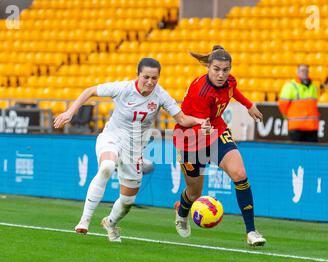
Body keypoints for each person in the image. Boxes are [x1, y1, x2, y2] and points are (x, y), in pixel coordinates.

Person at [54, 57, 209, 242]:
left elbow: (182, 119)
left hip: (134, 150)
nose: (150, 82)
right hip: (112, 137)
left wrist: (199, 121)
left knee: (127, 202)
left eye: (154, 78)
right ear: (137, 75)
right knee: (107, 167)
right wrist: (70, 112)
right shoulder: (123, 88)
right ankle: (84, 221)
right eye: (146, 77)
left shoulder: (160, 95)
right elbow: (90, 91)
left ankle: (110, 223)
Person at [173, 45, 266, 247]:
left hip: (215, 132)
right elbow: (194, 122)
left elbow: (234, 91)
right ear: (208, 67)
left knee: (240, 174)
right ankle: (182, 212)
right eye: (216, 69)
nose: (221, 74)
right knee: (194, 193)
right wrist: (203, 129)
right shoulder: (201, 91)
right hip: (190, 138)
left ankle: (251, 231)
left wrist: (249, 105)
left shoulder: (229, 81)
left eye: (225, 69)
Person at [278, 64, 319, 142]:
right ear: (297, 72)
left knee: (311, 152)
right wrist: (289, 116)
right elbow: (282, 105)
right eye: (302, 70)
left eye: (306, 71)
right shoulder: (291, 86)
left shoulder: (313, 86)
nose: (305, 72)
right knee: (296, 152)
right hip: (296, 127)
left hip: (311, 127)